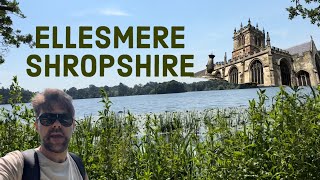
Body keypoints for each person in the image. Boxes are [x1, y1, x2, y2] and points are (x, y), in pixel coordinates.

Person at [0, 88, 88, 180]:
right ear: (36, 126)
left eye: (64, 119)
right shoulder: (18, 165)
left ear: (73, 125)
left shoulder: (78, 166)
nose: (56, 125)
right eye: (47, 118)